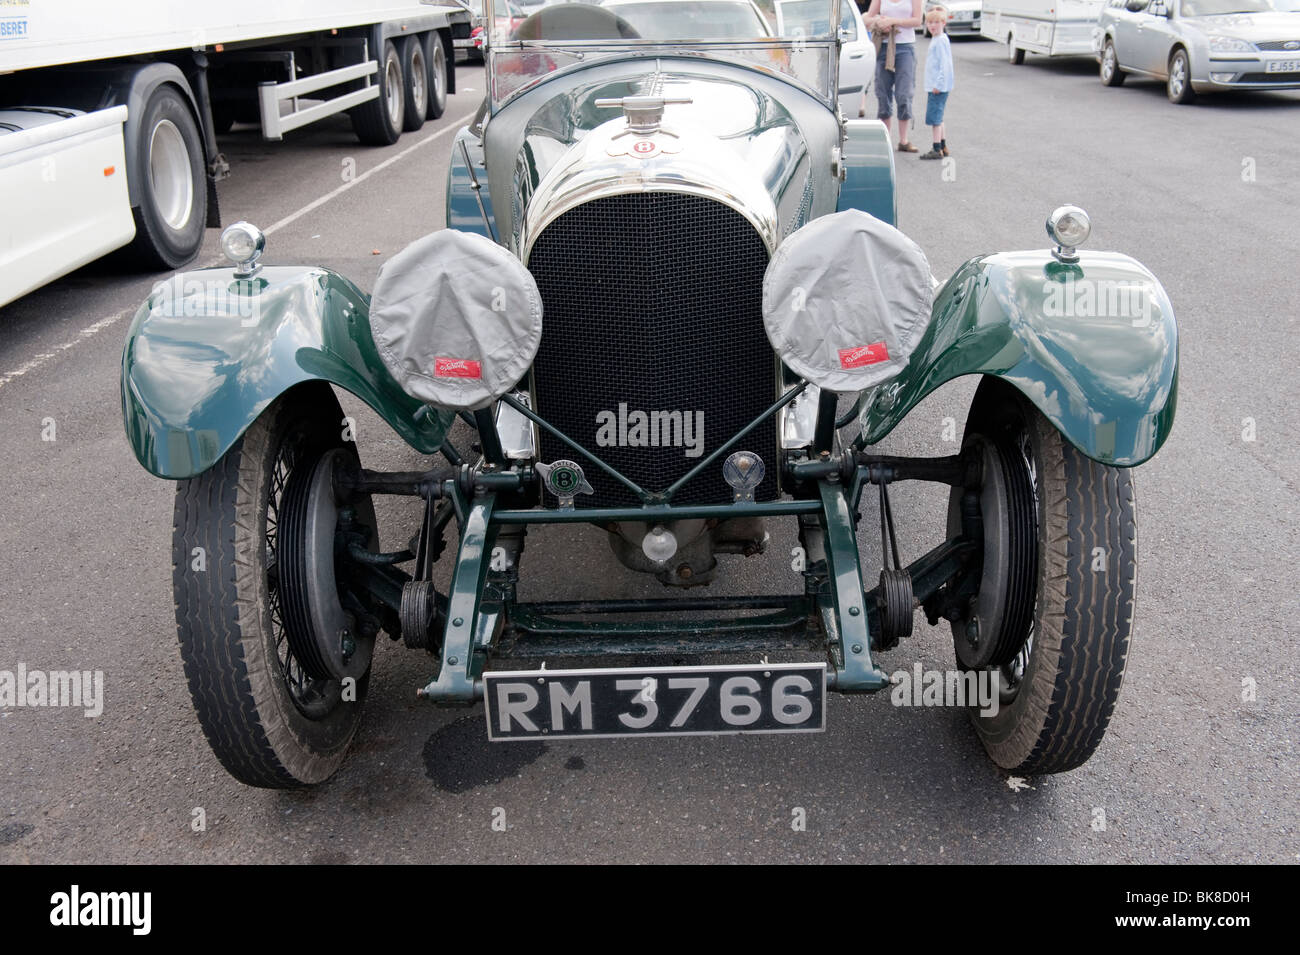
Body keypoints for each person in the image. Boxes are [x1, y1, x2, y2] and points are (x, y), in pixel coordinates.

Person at [864, 0, 924, 153]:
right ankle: (886, 140)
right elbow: (866, 18)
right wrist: (879, 21)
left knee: (904, 94)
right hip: (883, 46)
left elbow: (918, 20)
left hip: (905, 48)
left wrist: (894, 21)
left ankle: (904, 140)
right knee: (883, 93)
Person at [919, 5, 954, 160]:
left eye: (936, 22)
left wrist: (938, 85)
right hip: (939, 86)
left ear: (944, 23)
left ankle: (936, 148)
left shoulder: (940, 41)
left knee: (935, 119)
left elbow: (944, 65)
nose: (933, 26)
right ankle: (943, 145)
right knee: (939, 117)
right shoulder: (939, 39)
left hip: (937, 87)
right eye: (930, 23)